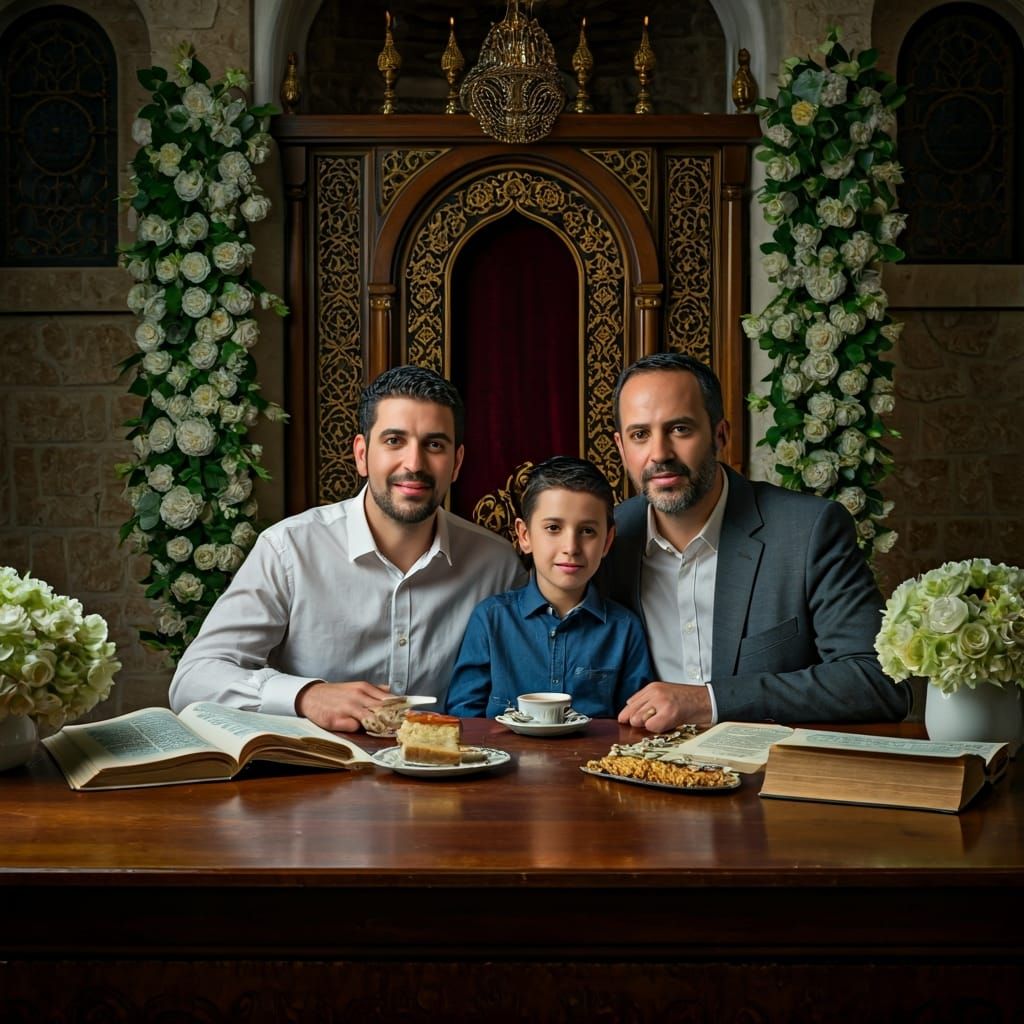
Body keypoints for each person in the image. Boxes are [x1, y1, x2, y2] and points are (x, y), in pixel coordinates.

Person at [169, 365, 527, 731]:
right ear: (361, 454)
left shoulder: (497, 566)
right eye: (394, 441)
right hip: (315, 764)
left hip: (447, 764)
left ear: (456, 463)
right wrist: (306, 696)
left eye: (434, 445)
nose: (414, 463)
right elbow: (193, 680)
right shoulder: (289, 550)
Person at [603, 352, 911, 732]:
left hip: (768, 765)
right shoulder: (604, 540)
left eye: (680, 429)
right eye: (640, 435)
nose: (660, 454)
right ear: (621, 448)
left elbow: (879, 681)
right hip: (633, 761)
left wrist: (710, 701)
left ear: (720, 435)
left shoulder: (808, 531)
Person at [445, 456, 653, 719]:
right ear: (525, 536)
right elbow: (464, 717)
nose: (571, 547)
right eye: (553, 528)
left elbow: (635, 724)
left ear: (607, 541)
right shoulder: (490, 619)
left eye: (587, 531)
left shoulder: (624, 629)